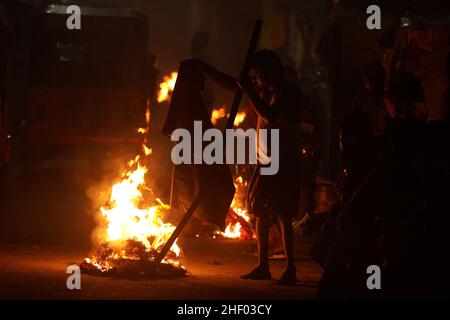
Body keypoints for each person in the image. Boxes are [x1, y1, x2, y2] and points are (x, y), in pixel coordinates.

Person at [186, 50, 303, 285]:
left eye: (258, 76)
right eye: (254, 78)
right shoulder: (261, 90)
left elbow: (270, 115)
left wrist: (249, 89)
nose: (256, 81)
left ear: (269, 72)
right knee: (261, 210)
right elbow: (229, 82)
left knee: (282, 212)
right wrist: (203, 66)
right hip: (266, 159)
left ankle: (290, 268)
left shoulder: (288, 93)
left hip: (285, 158)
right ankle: (263, 265)